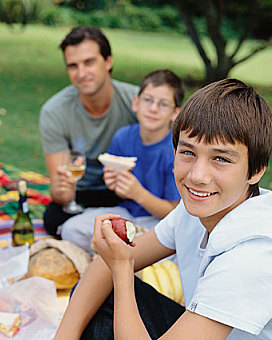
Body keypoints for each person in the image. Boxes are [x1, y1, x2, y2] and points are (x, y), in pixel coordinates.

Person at [50, 78, 272, 340]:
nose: (197, 176)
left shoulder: (256, 255)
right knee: (99, 297)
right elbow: (105, 264)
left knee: (118, 291)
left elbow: (118, 264)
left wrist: (123, 270)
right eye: (188, 152)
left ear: (256, 170)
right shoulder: (198, 209)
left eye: (221, 159)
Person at [60, 69, 183, 253]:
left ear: (175, 113)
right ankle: (116, 259)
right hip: (127, 215)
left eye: (163, 104)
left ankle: (114, 261)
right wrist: (113, 182)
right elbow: (116, 191)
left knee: (166, 255)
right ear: (136, 103)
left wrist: (138, 193)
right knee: (72, 230)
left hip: (160, 224)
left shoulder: (176, 151)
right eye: (148, 100)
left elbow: (176, 213)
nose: (153, 108)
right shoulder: (123, 136)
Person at [39, 26, 139, 236]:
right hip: (83, 193)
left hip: (127, 188)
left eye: (89, 62)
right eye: (73, 66)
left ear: (108, 62)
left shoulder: (136, 102)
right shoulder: (54, 111)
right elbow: (63, 190)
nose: (82, 73)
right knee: (52, 218)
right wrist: (60, 191)